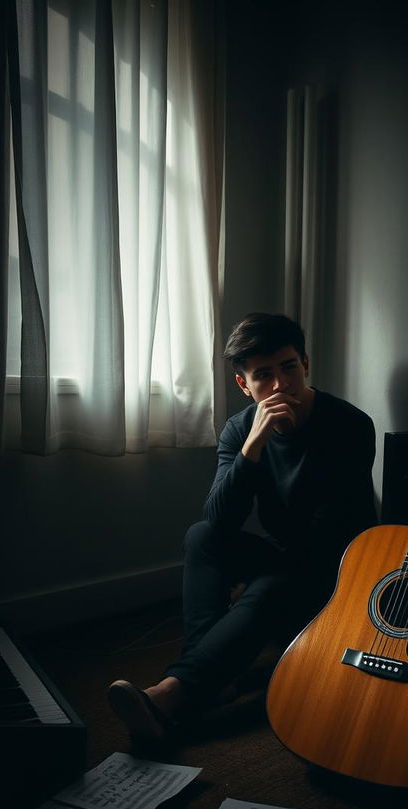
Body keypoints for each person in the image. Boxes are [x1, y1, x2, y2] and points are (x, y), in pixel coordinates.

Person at [107, 313, 377, 743]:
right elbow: (220, 520)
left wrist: (253, 584)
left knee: (273, 583)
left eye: (289, 367)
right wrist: (254, 446)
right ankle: (210, 679)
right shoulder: (240, 428)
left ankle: (172, 693)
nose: (279, 385)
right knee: (202, 536)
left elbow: (331, 533)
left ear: (306, 363)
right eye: (263, 376)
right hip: (285, 557)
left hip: (339, 571)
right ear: (244, 385)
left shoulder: (349, 425)